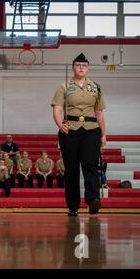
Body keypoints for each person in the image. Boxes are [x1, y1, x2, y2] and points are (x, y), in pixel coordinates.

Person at [52, 53, 107, 217]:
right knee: (71, 169)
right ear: (73, 67)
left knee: (90, 166)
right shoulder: (64, 87)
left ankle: (93, 200)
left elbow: (99, 112)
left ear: (88, 68)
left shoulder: (96, 87)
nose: (81, 68)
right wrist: (59, 124)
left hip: (91, 130)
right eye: (78, 65)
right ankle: (73, 206)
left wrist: (103, 134)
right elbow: (57, 108)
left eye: (84, 65)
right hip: (70, 130)